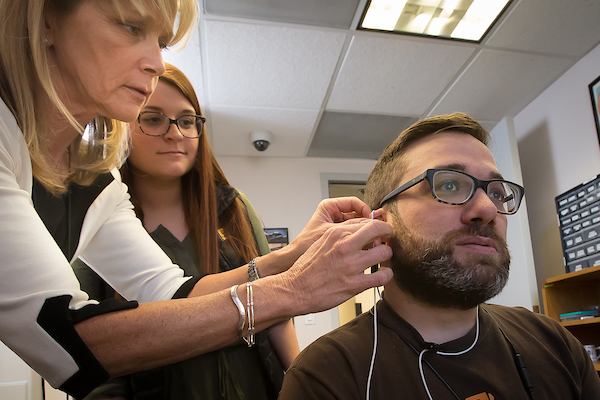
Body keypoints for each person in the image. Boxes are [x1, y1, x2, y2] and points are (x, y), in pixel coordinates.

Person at [0, 1, 393, 399]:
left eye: (162, 42)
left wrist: (290, 256)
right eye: (131, 27)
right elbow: (66, 343)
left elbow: (172, 291)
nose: (155, 63)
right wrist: (293, 289)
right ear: (46, 19)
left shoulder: (98, 184)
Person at [279, 113, 600, 400]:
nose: (488, 209)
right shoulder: (326, 378)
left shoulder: (554, 343)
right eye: (449, 184)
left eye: (497, 192)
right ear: (378, 226)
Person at [77, 63, 300, 400]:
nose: (175, 133)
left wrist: (302, 382)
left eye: (186, 121)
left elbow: (276, 305)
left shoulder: (233, 210)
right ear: (122, 127)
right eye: (153, 119)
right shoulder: (97, 220)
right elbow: (88, 345)